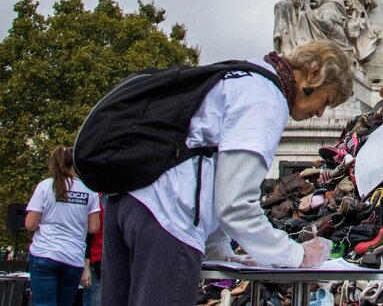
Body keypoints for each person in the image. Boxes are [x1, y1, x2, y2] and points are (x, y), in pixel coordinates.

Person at [101, 39, 353, 306]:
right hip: (167, 219)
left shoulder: (245, 76)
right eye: (326, 99)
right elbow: (235, 205)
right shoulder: (266, 99)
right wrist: (296, 255)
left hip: (128, 201)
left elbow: (209, 168)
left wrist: (218, 248)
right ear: (313, 73)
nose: (320, 113)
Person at [26, 146, 101, 306]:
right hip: (73, 256)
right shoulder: (90, 190)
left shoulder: (46, 186)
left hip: (44, 252)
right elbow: (94, 227)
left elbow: (30, 224)